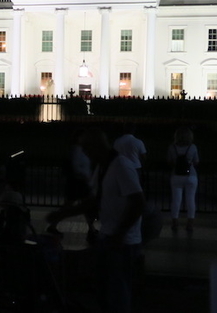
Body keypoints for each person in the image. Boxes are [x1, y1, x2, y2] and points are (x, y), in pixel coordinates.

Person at [45, 127, 145, 313]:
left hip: (122, 242)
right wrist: (63, 214)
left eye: (86, 148)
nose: (84, 153)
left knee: (116, 293)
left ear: (96, 146)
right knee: (105, 288)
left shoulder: (121, 165)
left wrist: (119, 234)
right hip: (111, 237)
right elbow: (95, 201)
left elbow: (138, 202)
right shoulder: (104, 166)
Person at [47, 128, 98, 242]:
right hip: (79, 183)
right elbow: (76, 167)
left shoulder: (77, 149)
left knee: (74, 206)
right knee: (84, 206)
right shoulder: (77, 150)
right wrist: (86, 177)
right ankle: (91, 229)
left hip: (77, 183)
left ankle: (91, 229)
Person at [167, 126, 199, 233]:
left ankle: (175, 222)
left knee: (176, 200)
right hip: (191, 175)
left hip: (176, 175)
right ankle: (190, 223)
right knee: (190, 199)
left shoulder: (172, 147)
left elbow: (169, 161)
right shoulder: (192, 147)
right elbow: (196, 161)